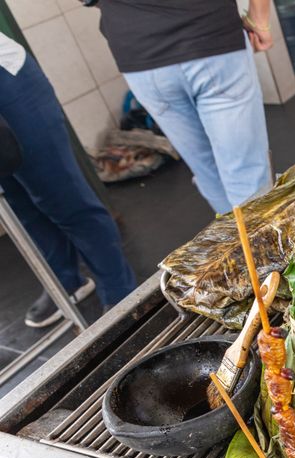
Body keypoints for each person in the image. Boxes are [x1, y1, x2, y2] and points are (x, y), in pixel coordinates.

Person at [0, 32, 136, 328]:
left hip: (7, 80)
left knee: (61, 194)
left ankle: (119, 289)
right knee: (17, 202)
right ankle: (65, 279)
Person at [94, 0, 275, 215]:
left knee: (207, 170)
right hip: (209, 37)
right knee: (245, 171)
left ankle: (238, 243)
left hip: (141, 58)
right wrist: (260, 20)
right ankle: (263, 247)